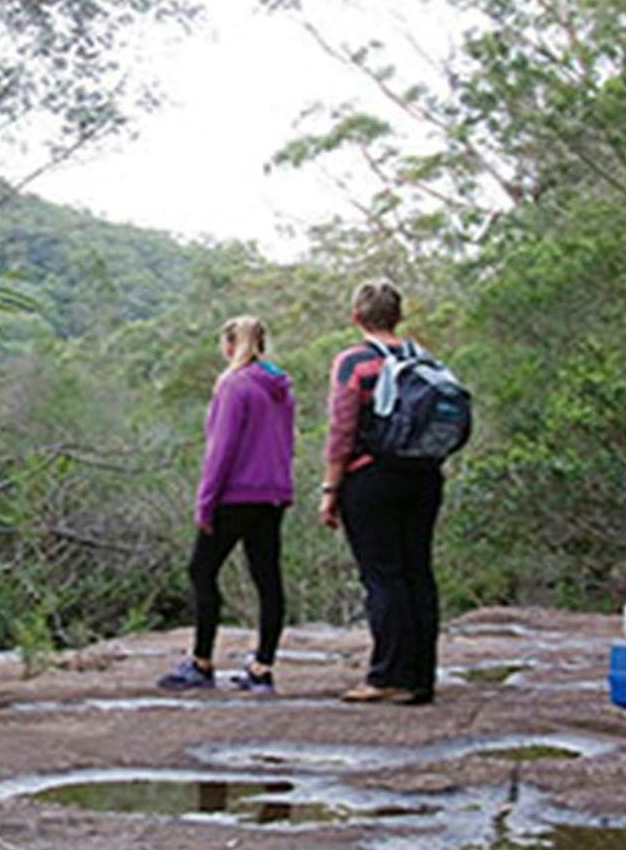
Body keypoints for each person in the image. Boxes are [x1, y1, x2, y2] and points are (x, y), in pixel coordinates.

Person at [319, 278, 442, 704]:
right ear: (399, 315)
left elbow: (342, 430)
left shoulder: (354, 362)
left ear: (356, 317)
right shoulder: (422, 356)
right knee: (417, 572)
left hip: (372, 478)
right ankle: (420, 677)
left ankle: (387, 675)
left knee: (383, 576)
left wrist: (330, 489)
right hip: (425, 476)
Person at [158, 315, 294, 694]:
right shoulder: (281, 388)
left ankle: (201, 663)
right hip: (272, 495)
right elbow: (287, 441)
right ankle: (262, 669)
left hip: (234, 496)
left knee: (202, 571)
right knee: (268, 581)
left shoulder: (234, 386)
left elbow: (221, 450)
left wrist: (205, 502)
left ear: (231, 345)